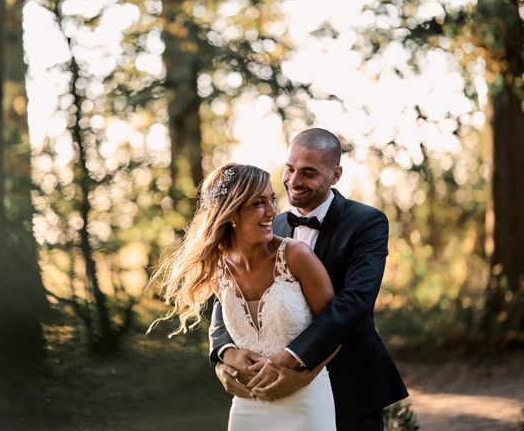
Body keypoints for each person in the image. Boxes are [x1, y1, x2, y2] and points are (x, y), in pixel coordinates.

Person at [210, 128, 409, 431]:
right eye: (289, 169)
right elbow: (229, 291)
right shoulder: (268, 222)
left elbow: (355, 301)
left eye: (308, 172)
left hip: (349, 381)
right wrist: (224, 354)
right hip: (265, 390)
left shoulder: (367, 222)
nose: (294, 180)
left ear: (335, 174)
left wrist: (298, 363)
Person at [150, 163, 338, 430]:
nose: (273, 211)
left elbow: (334, 329)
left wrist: (304, 376)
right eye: (258, 203)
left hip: (305, 400)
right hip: (249, 405)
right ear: (231, 212)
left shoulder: (296, 256)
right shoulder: (218, 268)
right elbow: (223, 326)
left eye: (272, 199)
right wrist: (224, 358)